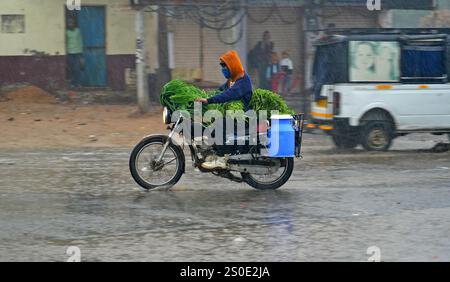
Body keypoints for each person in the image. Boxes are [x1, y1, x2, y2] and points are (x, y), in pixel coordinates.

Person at [196, 50, 253, 169]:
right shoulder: (232, 80)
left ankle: (222, 159)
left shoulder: (243, 80)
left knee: (220, 124)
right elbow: (220, 91)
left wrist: (208, 100)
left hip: (243, 118)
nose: (222, 69)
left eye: (224, 66)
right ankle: (212, 153)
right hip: (234, 116)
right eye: (221, 66)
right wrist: (203, 96)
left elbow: (228, 95)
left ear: (232, 65)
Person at [66, 18, 84, 89]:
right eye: (69, 23)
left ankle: (78, 83)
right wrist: (66, 52)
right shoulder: (66, 32)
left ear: (74, 24)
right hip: (70, 53)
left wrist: (81, 53)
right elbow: (66, 42)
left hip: (77, 52)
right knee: (71, 69)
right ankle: (72, 84)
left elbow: (80, 41)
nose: (70, 24)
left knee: (77, 69)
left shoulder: (78, 31)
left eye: (72, 23)